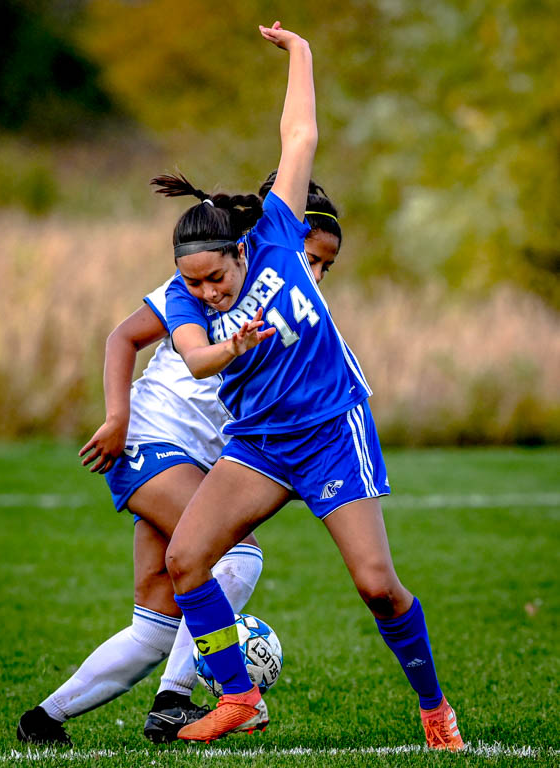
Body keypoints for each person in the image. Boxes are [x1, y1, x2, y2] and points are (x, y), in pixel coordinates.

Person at [153, 21, 464, 750]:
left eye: (216, 278)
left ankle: (433, 710)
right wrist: (229, 343)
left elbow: (298, 137)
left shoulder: (279, 235)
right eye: (193, 283)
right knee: (184, 561)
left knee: (375, 586)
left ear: (241, 248)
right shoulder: (182, 299)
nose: (205, 291)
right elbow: (197, 360)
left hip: (329, 430)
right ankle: (238, 698)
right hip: (258, 444)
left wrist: (300, 53)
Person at [15, 170, 343, 746]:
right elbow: (123, 337)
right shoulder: (203, 284)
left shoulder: (285, 306)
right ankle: (176, 700)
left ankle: (44, 720)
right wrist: (117, 418)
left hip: (191, 462)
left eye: (326, 267)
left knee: (156, 626)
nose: (316, 275)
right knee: (236, 557)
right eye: (310, 258)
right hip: (151, 441)